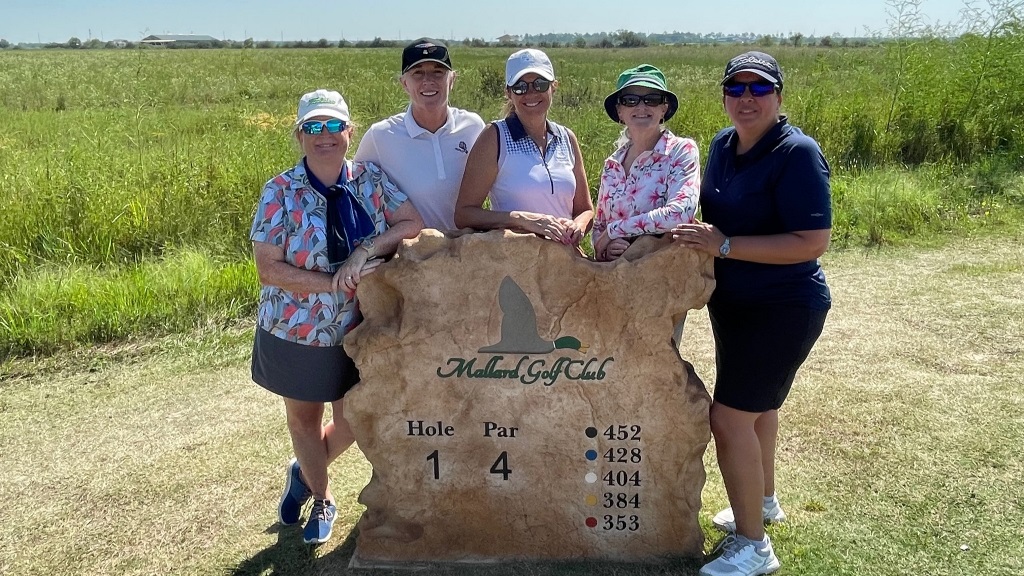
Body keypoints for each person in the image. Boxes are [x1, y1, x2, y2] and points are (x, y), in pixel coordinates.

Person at [672, 52, 832, 576]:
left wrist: (725, 246)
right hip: (734, 304)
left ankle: (753, 547)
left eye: (758, 89)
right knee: (759, 410)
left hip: (784, 306)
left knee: (729, 417)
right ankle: (762, 502)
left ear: (779, 97)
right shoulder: (721, 145)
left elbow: (812, 241)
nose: (746, 99)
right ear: (724, 98)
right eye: (735, 90)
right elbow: (708, 221)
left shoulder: (797, 153)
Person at [249, 89, 423, 545]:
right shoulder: (279, 190)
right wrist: (332, 282)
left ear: (350, 131)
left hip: (357, 327)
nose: (324, 136)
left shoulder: (370, 179)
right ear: (300, 135)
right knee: (303, 420)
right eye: (313, 127)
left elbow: (410, 224)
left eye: (333, 126)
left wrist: (367, 249)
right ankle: (323, 497)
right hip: (294, 327)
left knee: (352, 419)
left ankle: (304, 476)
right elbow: (268, 268)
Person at [454, 48, 593, 249]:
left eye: (540, 84)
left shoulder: (566, 138)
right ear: (508, 93)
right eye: (520, 87)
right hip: (516, 263)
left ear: (554, 87)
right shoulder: (495, 137)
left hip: (565, 263)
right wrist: (521, 219)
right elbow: (464, 214)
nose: (531, 93)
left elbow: (585, 209)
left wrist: (578, 226)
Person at [354, 38, 484, 232]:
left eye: (438, 72)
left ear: (452, 79)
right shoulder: (380, 136)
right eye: (418, 73)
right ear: (404, 83)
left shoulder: (473, 127)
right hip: (411, 257)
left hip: (466, 252)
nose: (428, 81)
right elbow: (356, 190)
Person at [592, 64, 700, 261]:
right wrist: (608, 247)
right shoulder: (612, 165)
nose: (641, 107)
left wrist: (614, 231)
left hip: (665, 273)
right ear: (620, 111)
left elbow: (680, 214)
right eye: (630, 100)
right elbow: (599, 227)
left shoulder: (680, 151)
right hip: (617, 276)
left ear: (663, 109)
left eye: (651, 100)